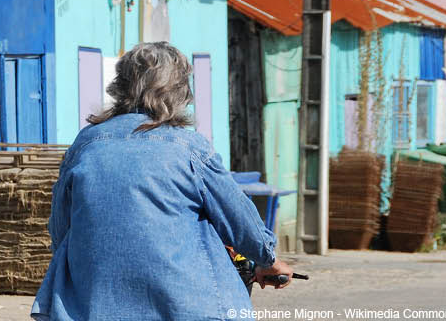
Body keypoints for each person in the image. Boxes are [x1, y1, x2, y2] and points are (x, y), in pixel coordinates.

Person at [31, 42, 292, 320]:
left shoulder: (86, 143)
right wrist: (268, 260)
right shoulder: (190, 148)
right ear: (179, 91)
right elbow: (238, 220)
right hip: (184, 305)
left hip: (92, 306)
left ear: (121, 86)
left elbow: (61, 228)